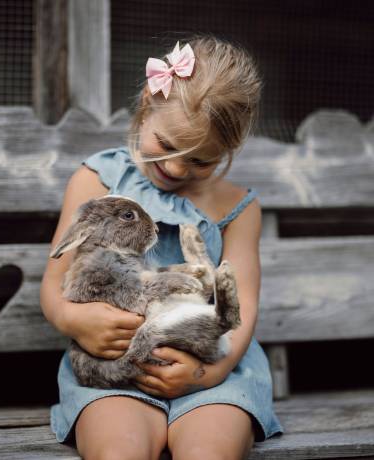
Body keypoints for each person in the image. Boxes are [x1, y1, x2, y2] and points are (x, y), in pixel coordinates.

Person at [40, 35, 283, 460]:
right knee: (120, 452)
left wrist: (208, 373)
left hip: (211, 369)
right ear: (147, 106)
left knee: (209, 452)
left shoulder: (238, 208)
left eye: (200, 160)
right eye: (168, 145)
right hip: (114, 371)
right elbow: (55, 282)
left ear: (230, 149)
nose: (175, 168)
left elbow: (241, 304)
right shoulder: (96, 180)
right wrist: (75, 320)